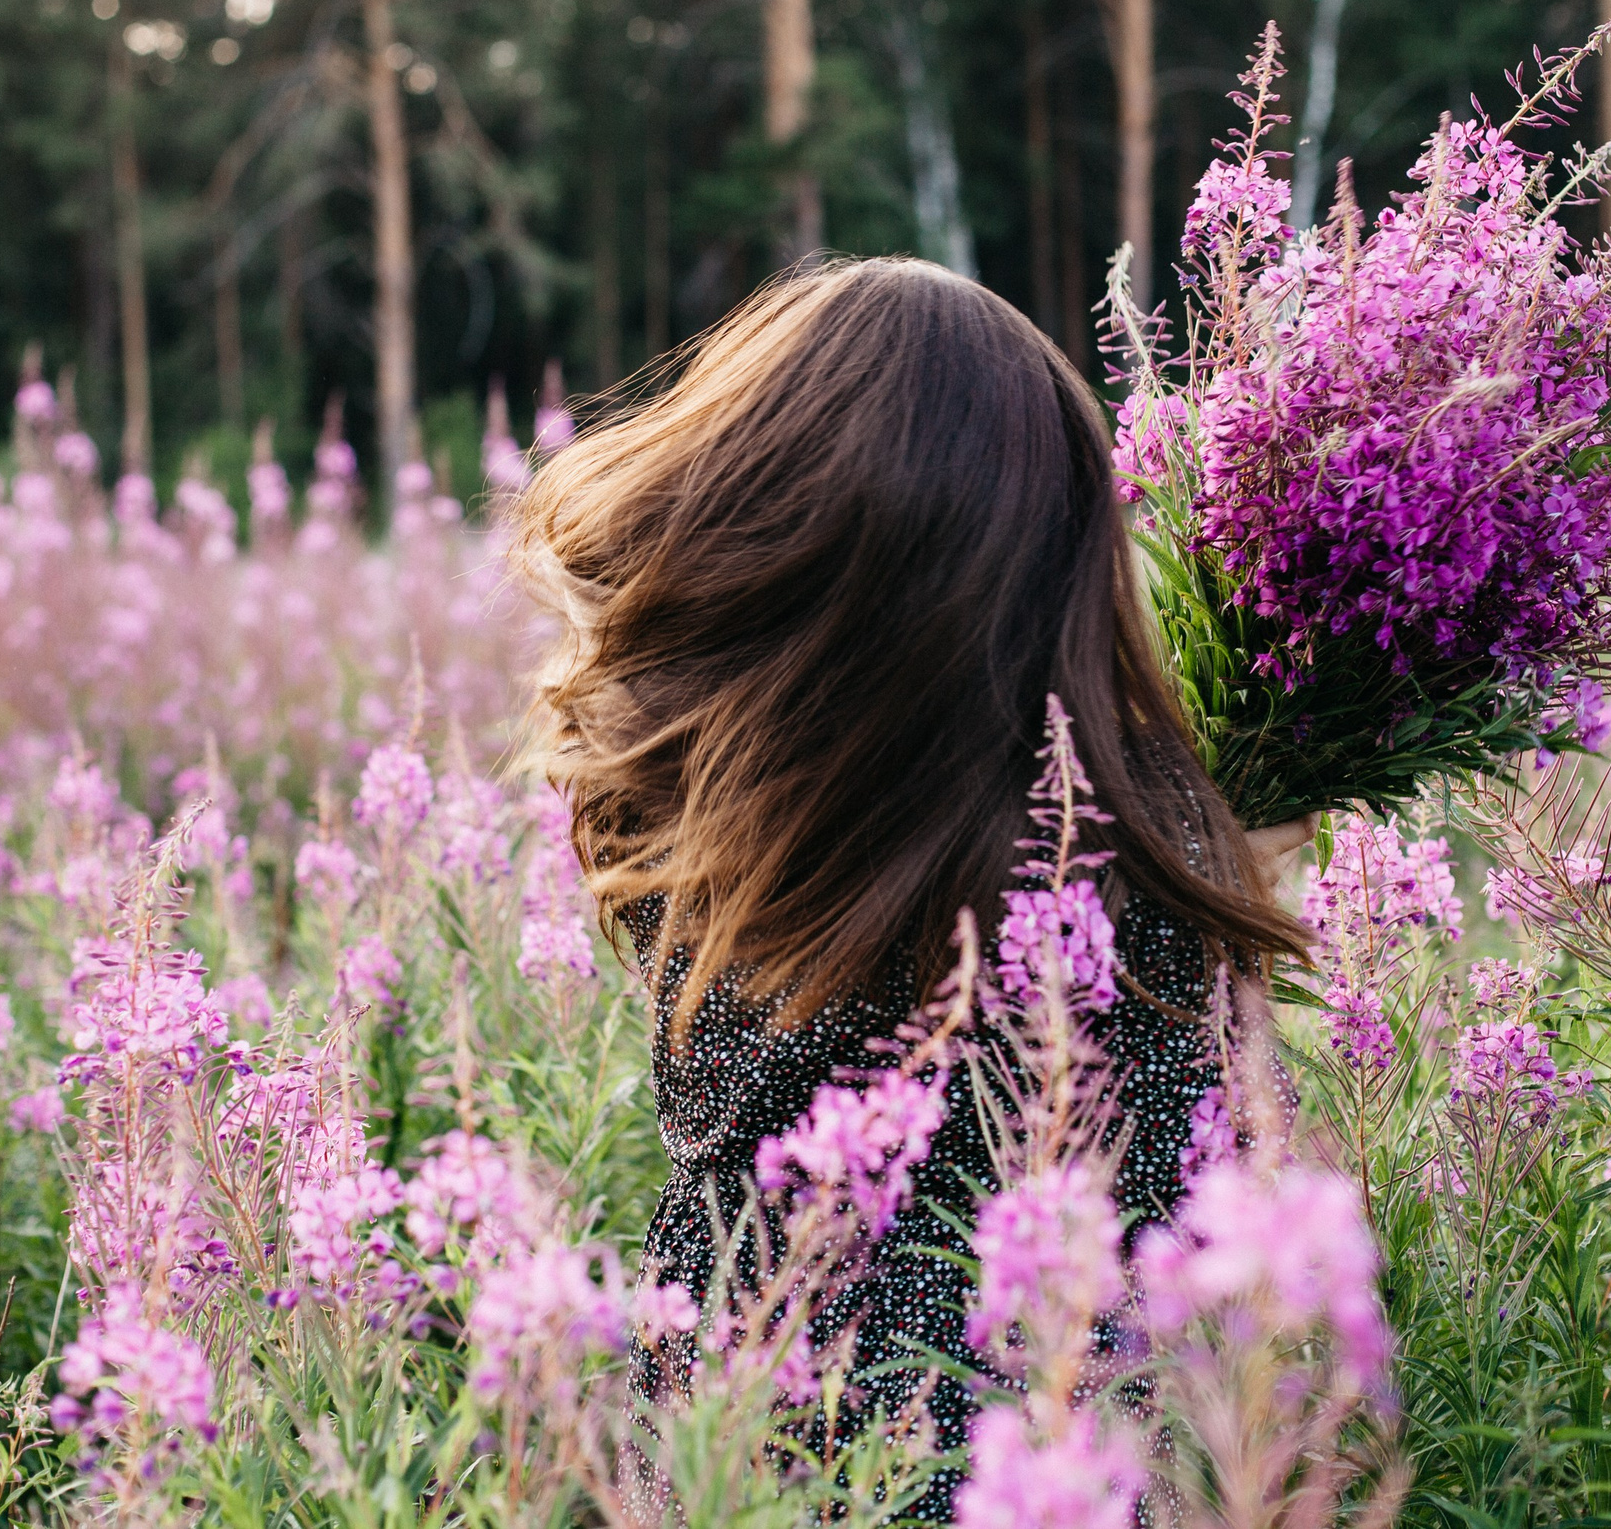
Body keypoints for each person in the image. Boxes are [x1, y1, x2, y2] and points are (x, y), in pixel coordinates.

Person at [511, 257, 1312, 1464]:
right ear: (1052, 563)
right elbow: (1219, 1180)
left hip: (735, 1453)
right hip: (1034, 1465)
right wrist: (1214, 873)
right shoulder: (1138, 861)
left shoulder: (696, 804)